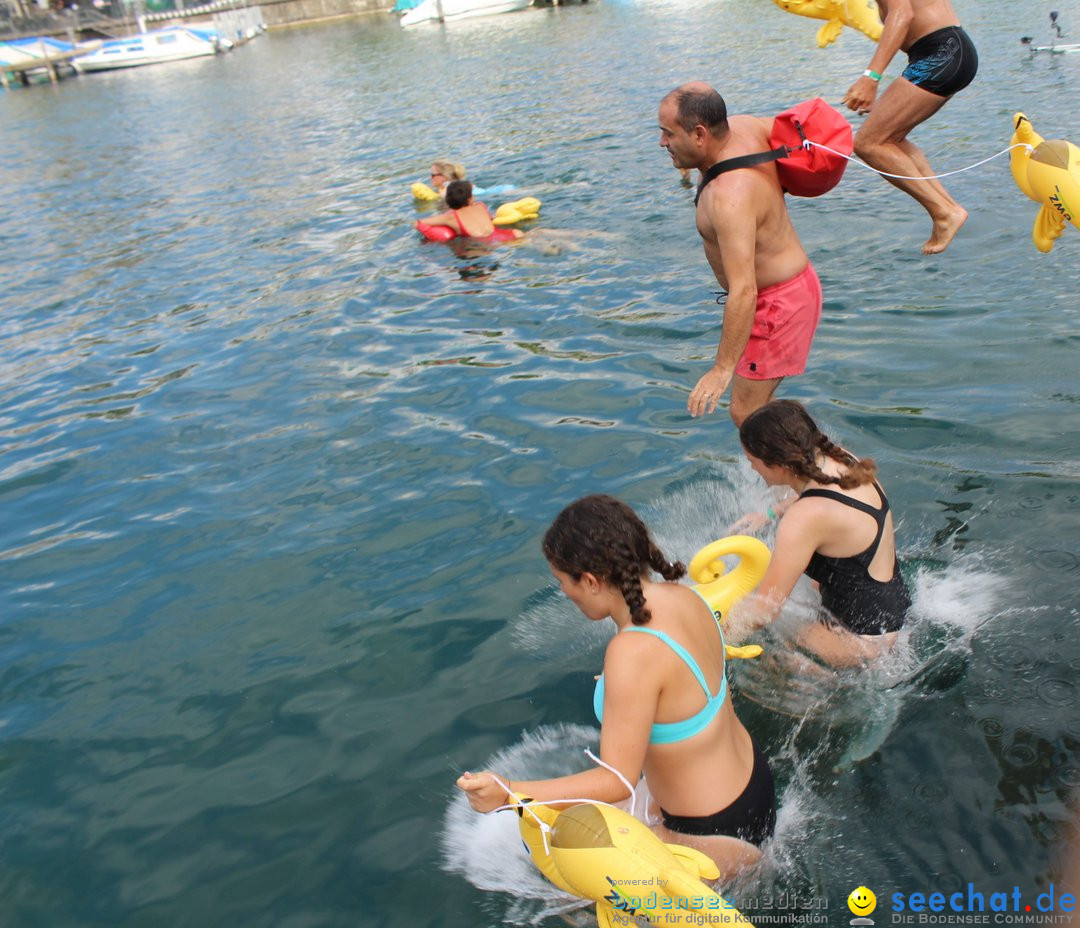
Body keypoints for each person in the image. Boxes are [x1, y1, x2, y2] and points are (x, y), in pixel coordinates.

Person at [456, 494, 776, 879]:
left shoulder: (631, 653)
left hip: (714, 833)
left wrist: (509, 794)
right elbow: (676, 679)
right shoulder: (684, 597)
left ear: (590, 581)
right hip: (751, 785)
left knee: (576, 897)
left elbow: (617, 783)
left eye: (563, 582)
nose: (563, 592)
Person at [658, 83, 822, 427]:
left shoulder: (729, 197)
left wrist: (721, 369)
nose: (662, 143)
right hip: (791, 292)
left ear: (700, 133)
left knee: (746, 413)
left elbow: (744, 290)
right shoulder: (745, 127)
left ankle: (827, 476)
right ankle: (817, 467)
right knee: (760, 409)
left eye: (668, 134)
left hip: (778, 305)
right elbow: (787, 130)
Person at [728, 400, 911, 665]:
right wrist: (770, 514)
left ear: (780, 465)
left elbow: (764, 611)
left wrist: (710, 627)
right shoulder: (840, 460)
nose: (752, 468)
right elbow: (818, 496)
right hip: (892, 608)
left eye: (752, 461)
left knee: (771, 656)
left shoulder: (803, 519)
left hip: (862, 641)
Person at [842, 0, 978, 255]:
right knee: (890, 139)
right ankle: (949, 208)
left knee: (868, 143)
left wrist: (871, 77)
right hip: (947, 50)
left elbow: (902, 13)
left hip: (941, 54)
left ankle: (944, 212)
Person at [416, 180, 522, 242]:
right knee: (520, 235)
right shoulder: (481, 206)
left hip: (483, 244)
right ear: (470, 199)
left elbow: (419, 222)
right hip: (506, 234)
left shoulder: (450, 217)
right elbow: (491, 219)